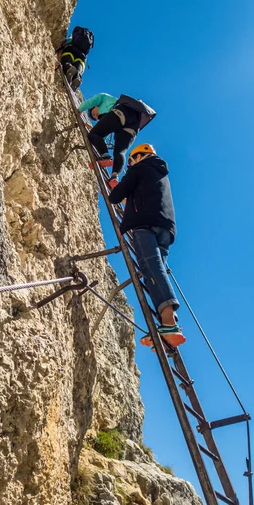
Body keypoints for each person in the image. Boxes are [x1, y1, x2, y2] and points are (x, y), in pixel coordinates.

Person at [108, 143, 186, 349]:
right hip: (165, 229)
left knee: (151, 268)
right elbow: (144, 197)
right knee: (156, 271)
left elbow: (116, 196)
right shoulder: (159, 172)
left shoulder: (140, 168)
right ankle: (168, 327)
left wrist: (115, 185)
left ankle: (168, 324)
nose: (130, 164)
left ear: (139, 157)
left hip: (145, 225)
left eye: (132, 160)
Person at [78, 93, 156, 188]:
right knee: (120, 152)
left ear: (95, 106)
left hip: (121, 112)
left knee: (93, 134)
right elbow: (103, 136)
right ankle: (114, 177)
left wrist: (80, 109)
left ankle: (106, 157)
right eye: (96, 117)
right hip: (133, 126)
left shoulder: (103, 98)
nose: (97, 116)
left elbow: (91, 102)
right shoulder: (117, 110)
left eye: (94, 113)